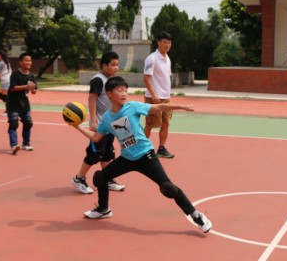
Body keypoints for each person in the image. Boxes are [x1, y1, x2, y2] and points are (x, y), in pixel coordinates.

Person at [70, 76, 212, 234]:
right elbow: (96, 137)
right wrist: (77, 127)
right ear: (109, 94)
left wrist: (182, 106)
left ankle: (196, 215)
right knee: (100, 178)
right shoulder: (107, 119)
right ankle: (103, 209)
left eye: (126, 90)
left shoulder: (133, 106)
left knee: (168, 187)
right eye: (120, 90)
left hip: (146, 156)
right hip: (127, 158)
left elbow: (158, 108)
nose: (124, 93)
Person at [71, 51, 125, 194]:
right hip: (99, 124)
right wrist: (93, 121)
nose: (116, 67)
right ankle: (79, 178)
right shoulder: (98, 80)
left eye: (117, 65)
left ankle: (107, 179)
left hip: (109, 124)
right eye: (113, 65)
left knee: (107, 153)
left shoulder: (112, 80)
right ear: (104, 65)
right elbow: (92, 99)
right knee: (95, 154)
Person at [143, 31, 175, 158]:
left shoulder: (167, 58)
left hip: (166, 98)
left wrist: (167, 95)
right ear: (158, 43)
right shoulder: (152, 58)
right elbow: (146, 78)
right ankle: (143, 149)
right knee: (150, 124)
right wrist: (154, 95)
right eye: (165, 42)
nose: (167, 45)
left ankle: (161, 148)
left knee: (166, 123)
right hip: (153, 98)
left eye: (169, 42)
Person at [6, 53, 37, 155]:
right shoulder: (15, 74)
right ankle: (14, 145)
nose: (28, 62)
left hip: (25, 105)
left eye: (30, 60)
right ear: (20, 62)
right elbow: (12, 88)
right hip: (13, 104)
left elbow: (34, 90)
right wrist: (26, 87)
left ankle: (26, 144)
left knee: (28, 123)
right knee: (14, 124)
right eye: (26, 60)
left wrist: (32, 89)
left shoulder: (31, 75)